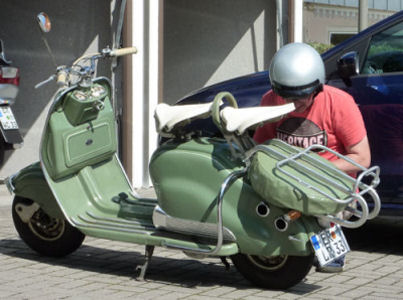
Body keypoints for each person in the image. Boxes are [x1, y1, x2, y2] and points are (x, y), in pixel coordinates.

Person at [253, 42, 371, 273]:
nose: (293, 104)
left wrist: (312, 171)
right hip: (287, 178)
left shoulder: (340, 103)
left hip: (328, 183)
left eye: (301, 97)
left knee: (327, 243)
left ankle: (331, 244)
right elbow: (261, 145)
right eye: (286, 96)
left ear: (317, 87)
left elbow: (362, 158)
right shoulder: (271, 99)